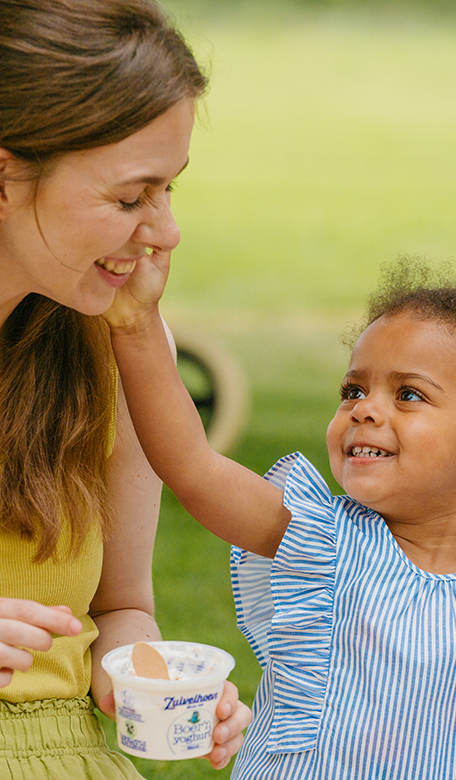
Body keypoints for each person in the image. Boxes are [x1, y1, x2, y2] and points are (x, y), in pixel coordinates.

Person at [105, 251, 456, 779]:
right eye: (354, 390)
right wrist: (136, 326)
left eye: (408, 394)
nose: (364, 408)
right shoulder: (320, 538)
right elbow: (193, 467)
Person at [0, 0, 251, 776]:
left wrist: (152, 680)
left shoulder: (115, 353)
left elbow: (119, 607)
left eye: (171, 188)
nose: (166, 231)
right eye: (131, 196)